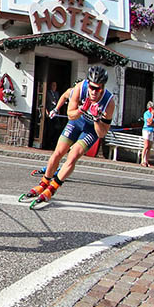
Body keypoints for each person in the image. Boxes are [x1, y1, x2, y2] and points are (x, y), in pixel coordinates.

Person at [24, 65, 116, 206]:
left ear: (103, 87)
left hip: (91, 129)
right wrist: (81, 109)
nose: (93, 92)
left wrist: (97, 119)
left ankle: (52, 189)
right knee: (58, 152)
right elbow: (70, 115)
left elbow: (101, 133)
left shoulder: (109, 102)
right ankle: (43, 183)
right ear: (88, 84)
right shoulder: (80, 88)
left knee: (73, 155)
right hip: (77, 122)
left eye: (98, 89)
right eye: (92, 87)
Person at [140, 100, 154, 167]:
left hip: (151, 130)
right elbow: (148, 122)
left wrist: (152, 122)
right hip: (146, 130)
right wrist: (152, 117)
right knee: (146, 145)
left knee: (149, 147)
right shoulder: (146, 113)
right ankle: (142, 161)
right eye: (151, 107)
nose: (152, 109)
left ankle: (146, 161)